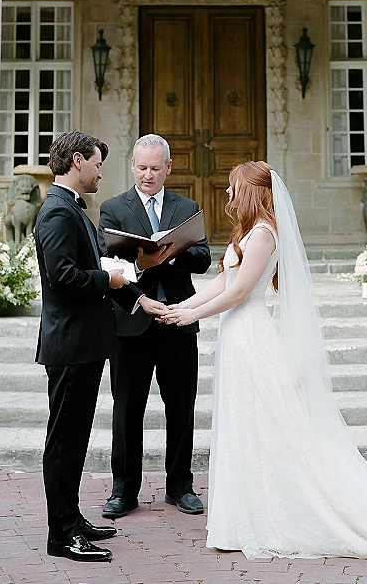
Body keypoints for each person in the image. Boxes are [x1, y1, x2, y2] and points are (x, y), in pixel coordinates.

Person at [161, 161, 367, 567]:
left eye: (234, 188)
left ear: (252, 193)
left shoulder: (265, 234)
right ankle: (241, 517)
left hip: (253, 338)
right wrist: (179, 306)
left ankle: (270, 517)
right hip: (237, 339)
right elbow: (222, 284)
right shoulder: (247, 233)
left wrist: (191, 317)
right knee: (244, 425)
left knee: (267, 426)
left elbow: (240, 294)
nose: (228, 195)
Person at [34, 131, 168, 564]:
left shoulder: (73, 210)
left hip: (86, 345)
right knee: (64, 442)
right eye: (95, 163)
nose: (100, 172)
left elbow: (98, 267)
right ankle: (61, 535)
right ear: (77, 161)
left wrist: (135, 295)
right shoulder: (56, 212)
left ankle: (72, 519)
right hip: (70, 345)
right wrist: (109, 280)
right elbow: (64, 278)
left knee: (74, 439)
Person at [97, 134, 212, 518]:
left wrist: (171, 256)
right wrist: (141, 262)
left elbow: (202, 257)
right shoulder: (113, 208)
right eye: (142, 168)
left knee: (181, 406)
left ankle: (180, 486)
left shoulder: (187, 206)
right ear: (132, 166)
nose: (148, 175)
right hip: (131, 323)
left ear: (168, 168)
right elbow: (106, 264)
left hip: (178, 319)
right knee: (127, 408)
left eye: (155, 168)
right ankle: (123, 490)